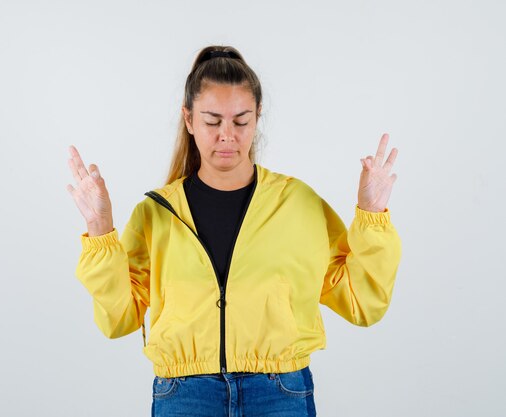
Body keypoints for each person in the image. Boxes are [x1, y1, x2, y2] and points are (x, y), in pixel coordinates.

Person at [66, 45, 401, 417]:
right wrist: (100, 228)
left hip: (280, 393)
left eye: (241, 121)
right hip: (184, 397)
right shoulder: (156, 214)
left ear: (257, 117)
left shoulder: (298, 203)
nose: (227, 135)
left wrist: (371, 214)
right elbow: (118, 318)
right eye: (212, 121)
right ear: (189, 119)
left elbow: (362, 302)